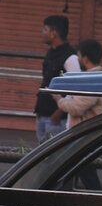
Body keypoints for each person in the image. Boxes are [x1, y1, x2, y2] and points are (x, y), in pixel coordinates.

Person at [51, 39, 102, 206]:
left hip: (85, 139)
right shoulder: (95, 78)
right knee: (81, 176)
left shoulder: (94, 80)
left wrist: (58, 99)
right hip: (84, 137)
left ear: (85, 58)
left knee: (84, 176)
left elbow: (76, 107)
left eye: (79, 55)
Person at [35, 15, 81, 143]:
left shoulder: (71, 57)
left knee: (55, 157)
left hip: (57, 119)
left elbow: (75, 87)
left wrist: (59, 112)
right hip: (42, 113)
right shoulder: (51, 52)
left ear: (53, 33)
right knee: (40, 156)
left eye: (45, 29)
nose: (42, 33)